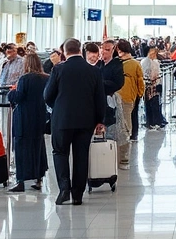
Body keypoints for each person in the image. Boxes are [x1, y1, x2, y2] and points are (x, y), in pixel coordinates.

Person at [44, 38, 106, 206]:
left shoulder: (58, 69)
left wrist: (58, 107)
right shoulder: (93, 71)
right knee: (81, 156)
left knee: (60, 153)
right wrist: (100, 120)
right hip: (86, 121)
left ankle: (64, 189)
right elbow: (100, 99)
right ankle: (78, 194)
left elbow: (47, 95)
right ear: (81, 50)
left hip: (62, 120)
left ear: (64, 52)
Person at [6, 53, 49, 192]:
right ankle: (39, 178)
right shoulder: (46, 78)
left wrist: (11, 92)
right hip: (40, 117)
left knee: (22, 148)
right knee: (38, 147)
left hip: (24, 119)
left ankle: (21, 181)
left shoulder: (25, 79)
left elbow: (18, 97)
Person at [117, 40, 145, 163]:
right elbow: (140, 81)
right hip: (127, 97)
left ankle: (125, 149)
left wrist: (140, 93)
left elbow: (140, 80)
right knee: (128, 120)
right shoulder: (130, 63)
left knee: (127, 122)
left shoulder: (132, 64)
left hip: (127, 97)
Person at [97, 40, 125, 142]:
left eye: (107, 50)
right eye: (102, 49)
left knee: (110, 132)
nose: (103, 52)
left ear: (113, 51)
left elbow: (118, 83)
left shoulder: (117, 64)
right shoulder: (99, 64)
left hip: (110, 103)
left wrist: (100, 83)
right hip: (97, 103)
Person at [141, 47, 167, 130]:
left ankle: (156, 121)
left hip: (154, 85)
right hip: (150, 86)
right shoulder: (146, 61)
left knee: (155, 104)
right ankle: (152, 121)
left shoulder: (154, 62)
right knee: (151, 104)